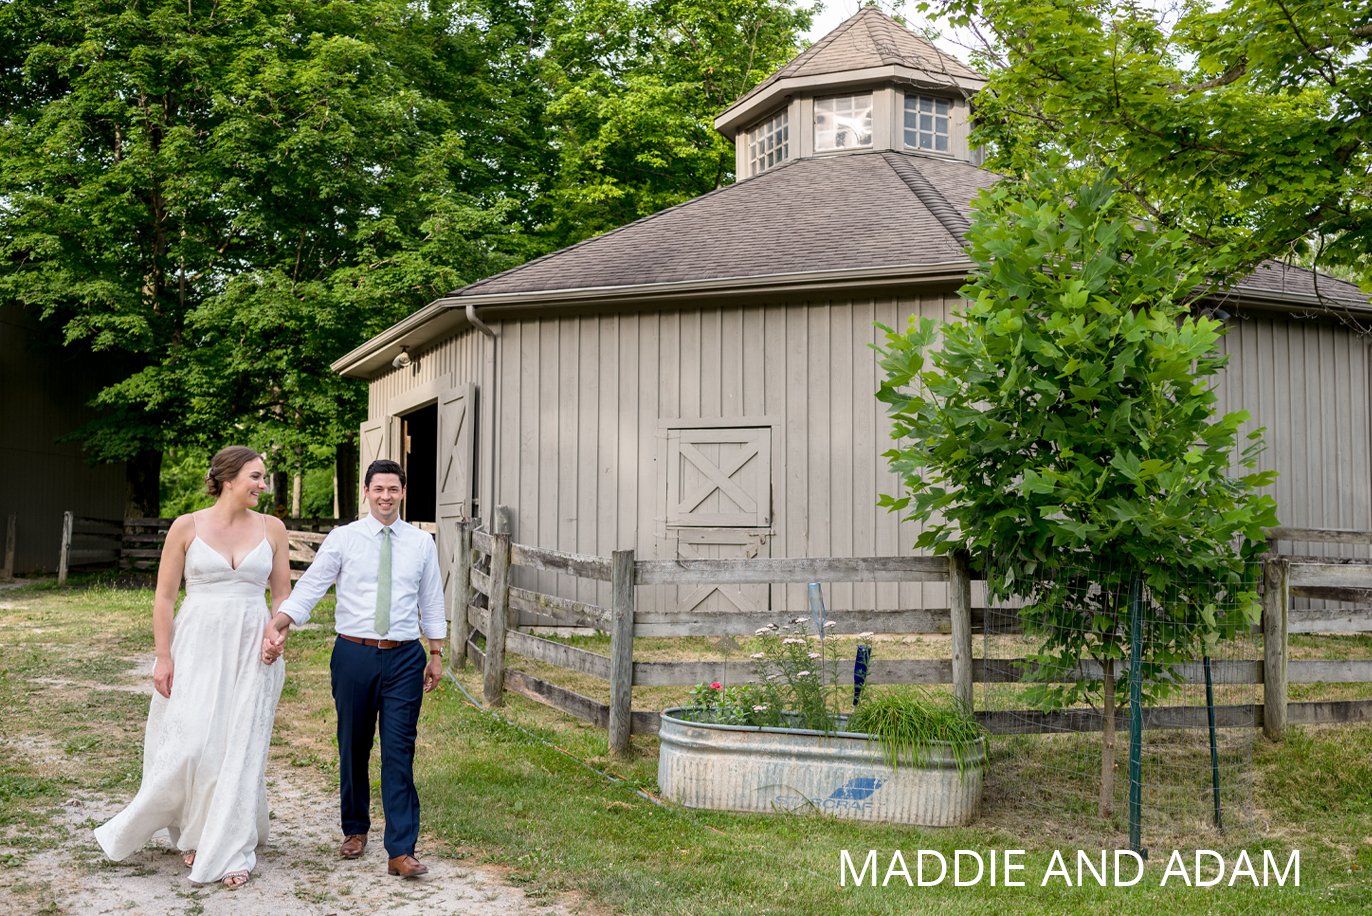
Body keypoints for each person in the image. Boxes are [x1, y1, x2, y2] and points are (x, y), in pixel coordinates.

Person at [94, 446, 292, 888]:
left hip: (252, 646)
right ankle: (192, 830)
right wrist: (163, 656)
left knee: (238, 745)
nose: (264, 485)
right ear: (228, 478)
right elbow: (164, 597)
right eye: (256, 477)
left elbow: (282, 595)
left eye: (264, 477)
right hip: (198, 644)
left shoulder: (273, 529)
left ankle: (230, 844)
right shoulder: (186, 527)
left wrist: (278, 633)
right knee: (193, 743)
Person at [264, 459, 445, 878]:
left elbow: (432, 598)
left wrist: (435, 651)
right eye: (378, 489)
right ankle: (355, 827)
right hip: (353, 654)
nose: (386, 496)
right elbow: (312, 584)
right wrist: (282, 620)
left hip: (404, 657)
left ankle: (401, 850)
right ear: (366, 492)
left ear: (403, 492)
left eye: (393, 489)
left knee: (399, 750)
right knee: (353, 743)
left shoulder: (421, 544)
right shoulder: (344, 539)